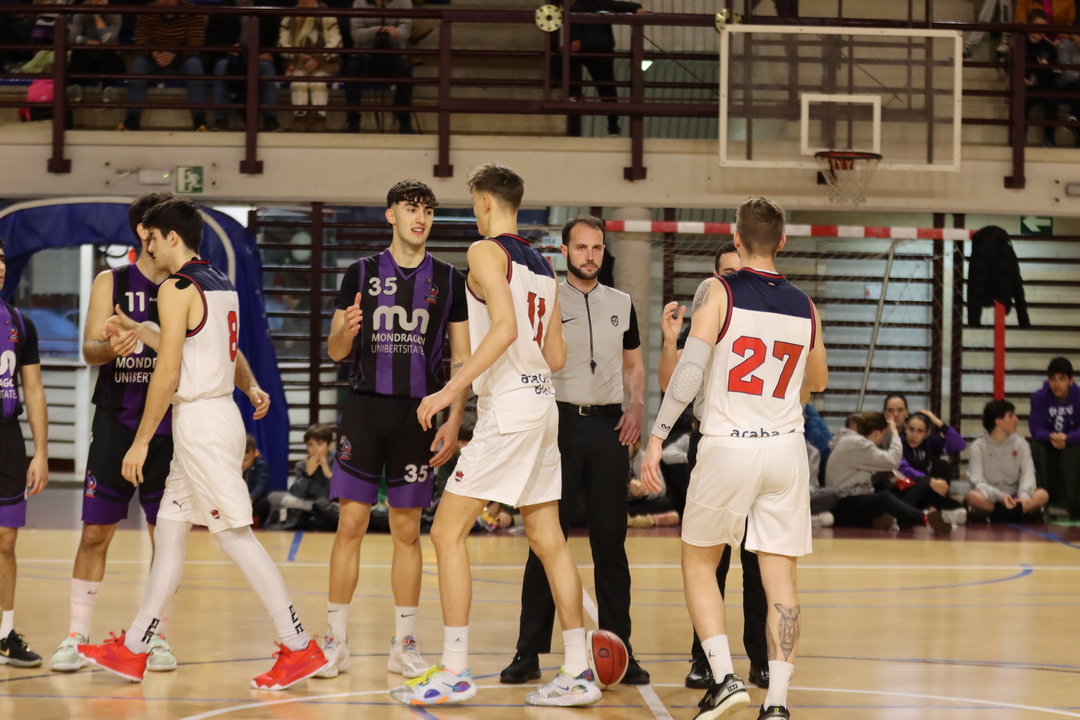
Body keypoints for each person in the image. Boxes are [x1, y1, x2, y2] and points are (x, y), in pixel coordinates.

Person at [76, 198, 329, 689]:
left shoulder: (174, 288)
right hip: (216, 415)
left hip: (200, 424)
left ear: (171, 237)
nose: (147, 247)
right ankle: (134, 648)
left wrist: (141, 441)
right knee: (170, 532)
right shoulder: (216, 281)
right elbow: (199, 345)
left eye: (152, 239)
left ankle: (298, 645)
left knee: (235, 536)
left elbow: (169, 370)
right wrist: (139, 329)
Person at [389, 163, 602, 707]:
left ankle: (456, 668)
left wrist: (448, 392)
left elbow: (504, 328)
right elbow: (556, 355)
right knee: (548, 539)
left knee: (445, 533)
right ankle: (578, 670)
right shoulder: (544, 264)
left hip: (510, 410)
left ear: (484, 202)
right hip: (543, 405)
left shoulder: (486, 251)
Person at [640, 196, 828, 720]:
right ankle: (778, 703)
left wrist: (657, 436)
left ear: (737, 238)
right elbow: (817, 380)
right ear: (782, 241)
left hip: (729, 443)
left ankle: (724, 678)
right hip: (786, 450)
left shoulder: (720, 291)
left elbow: (689, 373)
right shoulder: (806, 305)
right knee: (780, 580)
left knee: (700, 561)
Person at [318, 179, 469, 680]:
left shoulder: (449, 279)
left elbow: (463, 358)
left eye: (427, 210)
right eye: (410, 208)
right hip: (364, 410)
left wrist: (454, 418)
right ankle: (335, 641)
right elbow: (335, 351)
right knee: (350, 526)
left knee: (407, 532)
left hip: (417, 415)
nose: (419, 218)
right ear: (391, 215)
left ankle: (403, 644)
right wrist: (345, 332)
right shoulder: (359, 273)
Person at [499, 215, 648, 686]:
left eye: (597, 248)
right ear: (564, 251)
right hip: (557, 426)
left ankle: (620, 651)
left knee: (611, 545)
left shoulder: (622, 303)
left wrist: (637, 405)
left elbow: (634, 365)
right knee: (546, 542)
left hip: (609, 430)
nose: (589, 255)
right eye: (581, 247)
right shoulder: (546, 298)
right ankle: (527, 652)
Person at [49, 193, 182, 674]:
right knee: (95, 534)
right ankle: (76, 636)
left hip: (169, 427)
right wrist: (111, 347)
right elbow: (89, 349)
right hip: (115, 422)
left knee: (165, 539)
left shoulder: (186, 285)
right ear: (146, 232)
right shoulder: (113, 281)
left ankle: (155, 637)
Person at [657, 238, 772, 693]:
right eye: (727, 273)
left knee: (758, 560)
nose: (735, 280)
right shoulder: (707, 318)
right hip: (711, 442)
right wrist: (670, 343)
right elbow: (671, 384)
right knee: (708, 560)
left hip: (761, 444)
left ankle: (761, 660)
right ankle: (705, 660)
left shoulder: (772, 322)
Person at [0, 236, 49, 668]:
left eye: (1, 258)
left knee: (7, 539)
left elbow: (32, 389)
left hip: (8, 440)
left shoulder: (19, 322)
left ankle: (3, 634)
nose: (0, 266)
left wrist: (41, 452)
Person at [826, 412, 956, 533]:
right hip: (844, 504)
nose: (883, 439)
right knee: (884, 498)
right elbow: (894, 460)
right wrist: (894, 433)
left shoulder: (854, 442)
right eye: (884, 435)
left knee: (914, 483)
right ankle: (926, 519)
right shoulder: (856, 443)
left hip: (857, 498)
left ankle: (887, 519)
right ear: (877, 434)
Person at [120, 0, 208, 132]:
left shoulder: (193, 12)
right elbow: (141, 42)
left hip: (182, 61)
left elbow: (195, 44)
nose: (166, 1)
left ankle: (199, 120)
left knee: (194, 64)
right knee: (139, 64)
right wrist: (155, 54)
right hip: (154, 60)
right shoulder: (147, 11)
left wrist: (174, 55)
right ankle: (132, 119)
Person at [568, 0, 647, 137]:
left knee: (605, 86)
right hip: (599, 48)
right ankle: (613, 126)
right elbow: (621, 5)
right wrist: (636, 8)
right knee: (607, 87)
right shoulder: (600, 4)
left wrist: (575, 39)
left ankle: (574, 95)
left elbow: (575, 21)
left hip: (586, 49)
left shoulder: (581, 5)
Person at [967, 399, 1050, 522]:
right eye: (1011, 416)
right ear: (999, 422)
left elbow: (1028, 474)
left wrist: (1024, 496)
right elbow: (977, 482)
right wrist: (1001, 497)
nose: (1016, 419)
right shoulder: (978, 446)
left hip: (1017, 498)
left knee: (1042, 494)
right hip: (992, 499)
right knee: (972, 497)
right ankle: (1020, 514)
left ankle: (999, 515)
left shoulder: (1021, 444)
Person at [207, 0, 282, 132]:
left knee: (267, 68)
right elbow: (211, 38)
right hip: (229, 56)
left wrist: (269, 52)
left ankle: (271, 119)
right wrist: (228, 49)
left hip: (260, 56)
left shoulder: (267, 7)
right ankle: (221, 119)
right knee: (221, 67)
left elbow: (276, 36)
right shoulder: (222, 8)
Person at [344, 0, 415, 134]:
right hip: (365, 54)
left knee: (406, 70)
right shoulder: (359, 2)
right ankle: (353, 120)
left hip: (393, 54)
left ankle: (404, 120)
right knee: (353, 68)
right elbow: (356, 34)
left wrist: (396, 32)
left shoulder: (404, 2)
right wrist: (375, 31)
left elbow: (406, 31)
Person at [1028, 357, 1080, 519]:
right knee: (1032, 448)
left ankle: (1075, 507)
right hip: (1049, 443)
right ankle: (1040, 503)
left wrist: (1068, 438)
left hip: (1074, 443)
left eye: (1061, 379)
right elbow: (1035, 429)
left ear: (1071, 380)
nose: (1057, 384)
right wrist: (1051, 436)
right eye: (1053, 379)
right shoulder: (1039, 397)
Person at [279, 0, 342, 132]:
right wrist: (300, 56)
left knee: (318, 80)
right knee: (298, 79)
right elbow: (282, 43)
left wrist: (318, 58)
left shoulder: (327, 15)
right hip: (297, 61)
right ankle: (300, 118)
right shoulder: (289, 17)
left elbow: (336, 42)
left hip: (326, 61)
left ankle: (319, 118)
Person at [273, 423, 340, 531]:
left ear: (329, 446)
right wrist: (307, 474)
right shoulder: (302, 466)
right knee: (287, 500)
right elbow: (296, 493)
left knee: (347, 506)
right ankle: (318, 518)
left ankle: (315, 518)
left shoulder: (338, 463)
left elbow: (340, 495)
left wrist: (328, 472)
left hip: (331, 506)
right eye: (310, 445)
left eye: (320, 444)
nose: (315, 449)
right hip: (311, 504)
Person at [68, 0, 125, 103]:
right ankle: (77, 88)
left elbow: (108, 40)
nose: (99, 1)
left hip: (108, 62)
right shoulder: (80, 12)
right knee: (78, 51)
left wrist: (98, 18)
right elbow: (72, 38)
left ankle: (107, 90)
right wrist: (94, 43)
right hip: (87, 61)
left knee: (108, 52)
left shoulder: (115, 14)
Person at [900, 409, 966, 492]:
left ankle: (937, 500)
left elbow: (960, 444)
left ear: (926, 433)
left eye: (920, 431)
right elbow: (903, 470)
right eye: (911, 429)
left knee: (942, 465)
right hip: (909, 488)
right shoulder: (899, 443)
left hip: (931, 488)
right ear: (906, 428)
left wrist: (936, 421)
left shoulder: (929, 442)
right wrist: (929, 481)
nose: (914, 436)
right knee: (915, 463)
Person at [1023, 9, 1060, 147]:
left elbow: (1057, 71)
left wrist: (1048, 67)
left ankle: (1049, 139)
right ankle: (1021, 137)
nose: (1041, 30)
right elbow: (1010, 66)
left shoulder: (1049, 46)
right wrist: (1021, 78)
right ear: (1029, 25)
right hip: (1025, 85)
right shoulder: (1020, 43)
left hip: (1046, 84)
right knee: (1022, 102)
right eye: (1038, 25)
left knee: (1052, 102)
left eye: (1044, 26)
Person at [242, 434, 271, 527]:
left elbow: (260, 485)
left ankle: (254, 521)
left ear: (255, 453)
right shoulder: (231, 464)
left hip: (252, 501)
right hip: (236, 501)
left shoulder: (260, 465)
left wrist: (251, 498)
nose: (242, 463)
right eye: (239, 459)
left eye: (246, 460)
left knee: (263, 504)